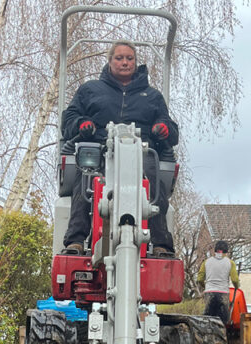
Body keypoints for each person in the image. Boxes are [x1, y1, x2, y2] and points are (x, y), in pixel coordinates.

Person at [61, 40, 179, 256]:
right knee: (85, 176)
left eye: (129, 58)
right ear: (110, 61)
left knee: (154, 178)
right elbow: (69, 119)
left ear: (135, 62)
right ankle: (75, 241)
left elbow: (171, 129)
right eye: (119, 58)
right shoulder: (90, 90)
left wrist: (163, 129)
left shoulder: (152, 96)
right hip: (99, 150)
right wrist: (81, 124)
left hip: (140, 151)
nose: (125, 62)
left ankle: (161, 244)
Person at [197, 240, 240, 324]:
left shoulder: (206, 262)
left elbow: (199, 279)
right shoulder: (230, 263)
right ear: (226, 251)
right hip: (223, 293)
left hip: (209, 293)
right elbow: (235, 280)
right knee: (222, 321)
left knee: (207, 319)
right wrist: (237, 286)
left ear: (215, 250)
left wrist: (205, 286)